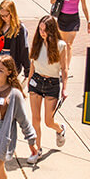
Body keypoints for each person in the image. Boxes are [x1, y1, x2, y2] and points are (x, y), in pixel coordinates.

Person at [26, 16, 67, 165]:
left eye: (45, 30)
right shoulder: (37, 43)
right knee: (35, 119)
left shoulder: (61, 46)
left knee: (48, 121)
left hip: (52, 84)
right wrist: (28, 82)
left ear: (52, 30)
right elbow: (32, 64)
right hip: (36, 81)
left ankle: (60, 129)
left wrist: (65, 89)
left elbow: (64, 69)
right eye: (40, 29)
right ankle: (37, 150)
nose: (42, 33)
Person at [50, 0, 90, 77]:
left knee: (69, 44)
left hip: (73, 19)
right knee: (62, 44)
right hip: (62, 18)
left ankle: (66, 68)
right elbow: (52, 0)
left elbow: (84, 7)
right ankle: (60, 65)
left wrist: (88, 21)